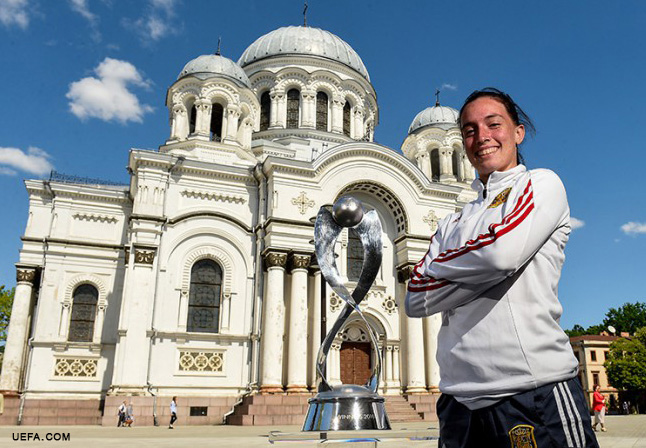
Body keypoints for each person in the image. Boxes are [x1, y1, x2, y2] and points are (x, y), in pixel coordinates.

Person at [405, 88, 600, 448]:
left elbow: (501, 255)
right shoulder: (451, 221)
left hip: (533, 393)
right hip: (458, 405)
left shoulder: (539, 184)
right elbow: (415, 298)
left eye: (493, 124)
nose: (481, 137)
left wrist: (448, 271)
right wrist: (489, 267)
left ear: (518, 132)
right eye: (469, 130)